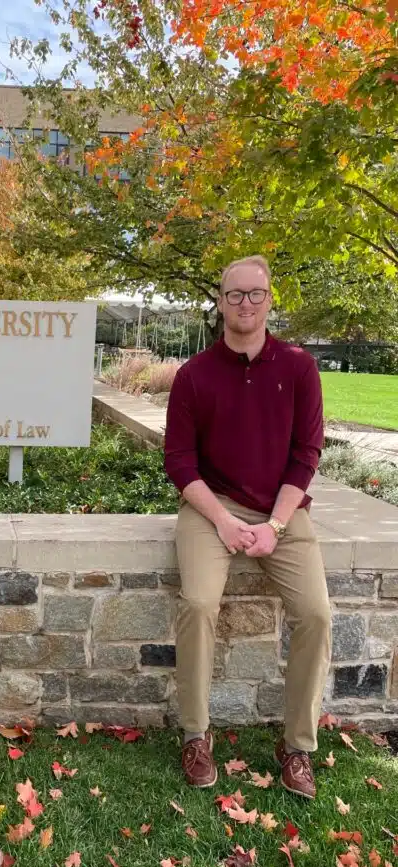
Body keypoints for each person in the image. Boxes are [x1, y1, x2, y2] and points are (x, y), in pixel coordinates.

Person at [164, 255, 331, 799]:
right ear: (220, 300)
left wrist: (275, 527)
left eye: (255, 294)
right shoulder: (194, 375)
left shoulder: (299, 368)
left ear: (269, 299)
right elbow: (180, 463)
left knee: (316, 614)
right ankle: (195, 735)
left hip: (283, 512)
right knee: (198, 606)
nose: (245, 304)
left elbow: (307, 453)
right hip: (211, 508)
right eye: (235, 294)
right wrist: (224, 520)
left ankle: (298, 747)